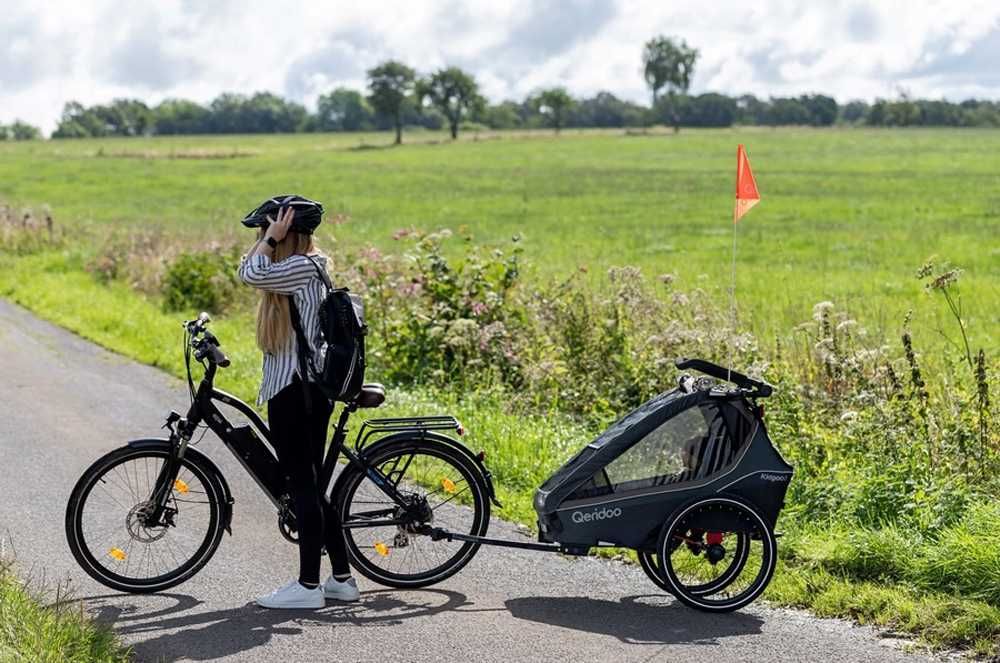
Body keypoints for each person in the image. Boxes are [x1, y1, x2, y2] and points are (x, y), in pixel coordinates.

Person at [237, 195, 360, 609]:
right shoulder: (296, 267)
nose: (261, 238)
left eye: (266, 231)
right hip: (295, 387)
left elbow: (249, 273)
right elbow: (248, 268)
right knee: (310, 486)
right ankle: (341, 579)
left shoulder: (304, 267)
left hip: (297, 389)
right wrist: (272, 238)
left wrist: (272, 238)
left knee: (302, 486)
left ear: (287, 232)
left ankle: (309, 587)